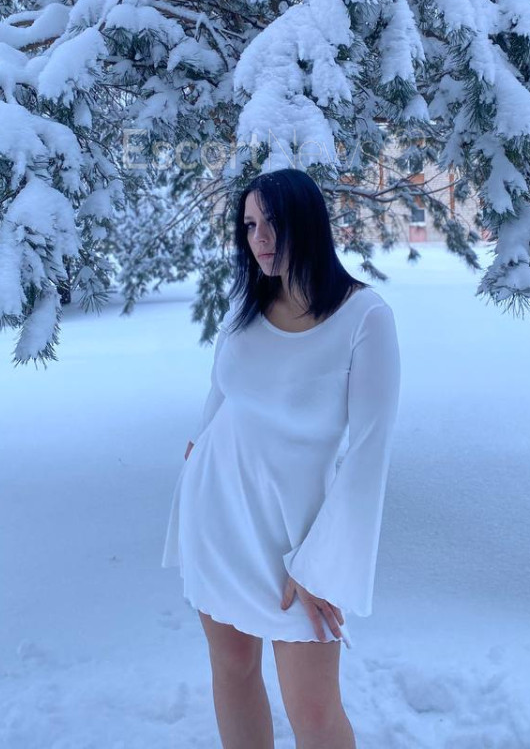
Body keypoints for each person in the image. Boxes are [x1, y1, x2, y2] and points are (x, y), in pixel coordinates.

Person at [161, 167, 402, 749]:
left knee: (314, 713)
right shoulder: (246, 309)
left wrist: (322, 563)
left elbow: (369, 454)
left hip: (299, 539)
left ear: (309, 222)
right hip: (217, 517)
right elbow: (222, 396)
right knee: (233, 670)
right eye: (249, 226)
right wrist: (198, 450)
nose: (260, 238)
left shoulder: (365, 317)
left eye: (272, 222)